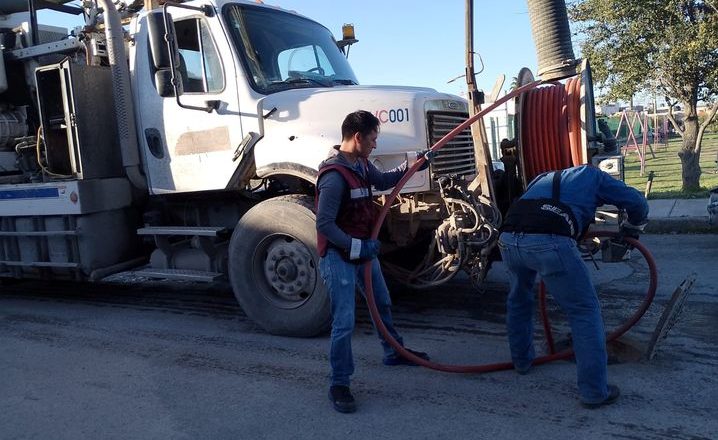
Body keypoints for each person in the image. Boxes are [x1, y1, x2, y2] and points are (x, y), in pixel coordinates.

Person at [498, 164, 648, 409]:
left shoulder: (541, 178)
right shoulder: (593, 176)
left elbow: (539, 211)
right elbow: (637, 204)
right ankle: (594, 392)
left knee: (519, 299)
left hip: (509, 239)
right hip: (550, 242)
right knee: (584, 311)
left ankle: (522, 361)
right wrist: (632, 227)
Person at [316, 110, 432, 413]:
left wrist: (413, 165)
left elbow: (385, 180)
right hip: (339, 255)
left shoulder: (363, 165)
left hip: (363, 251)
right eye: (372, 138)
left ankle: (393, 352)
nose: (375, 144)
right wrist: (358, 246)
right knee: (344, 321)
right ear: (357, 137)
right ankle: (339, 383)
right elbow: (324, 225)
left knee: (382, 302)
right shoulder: (334, 177)